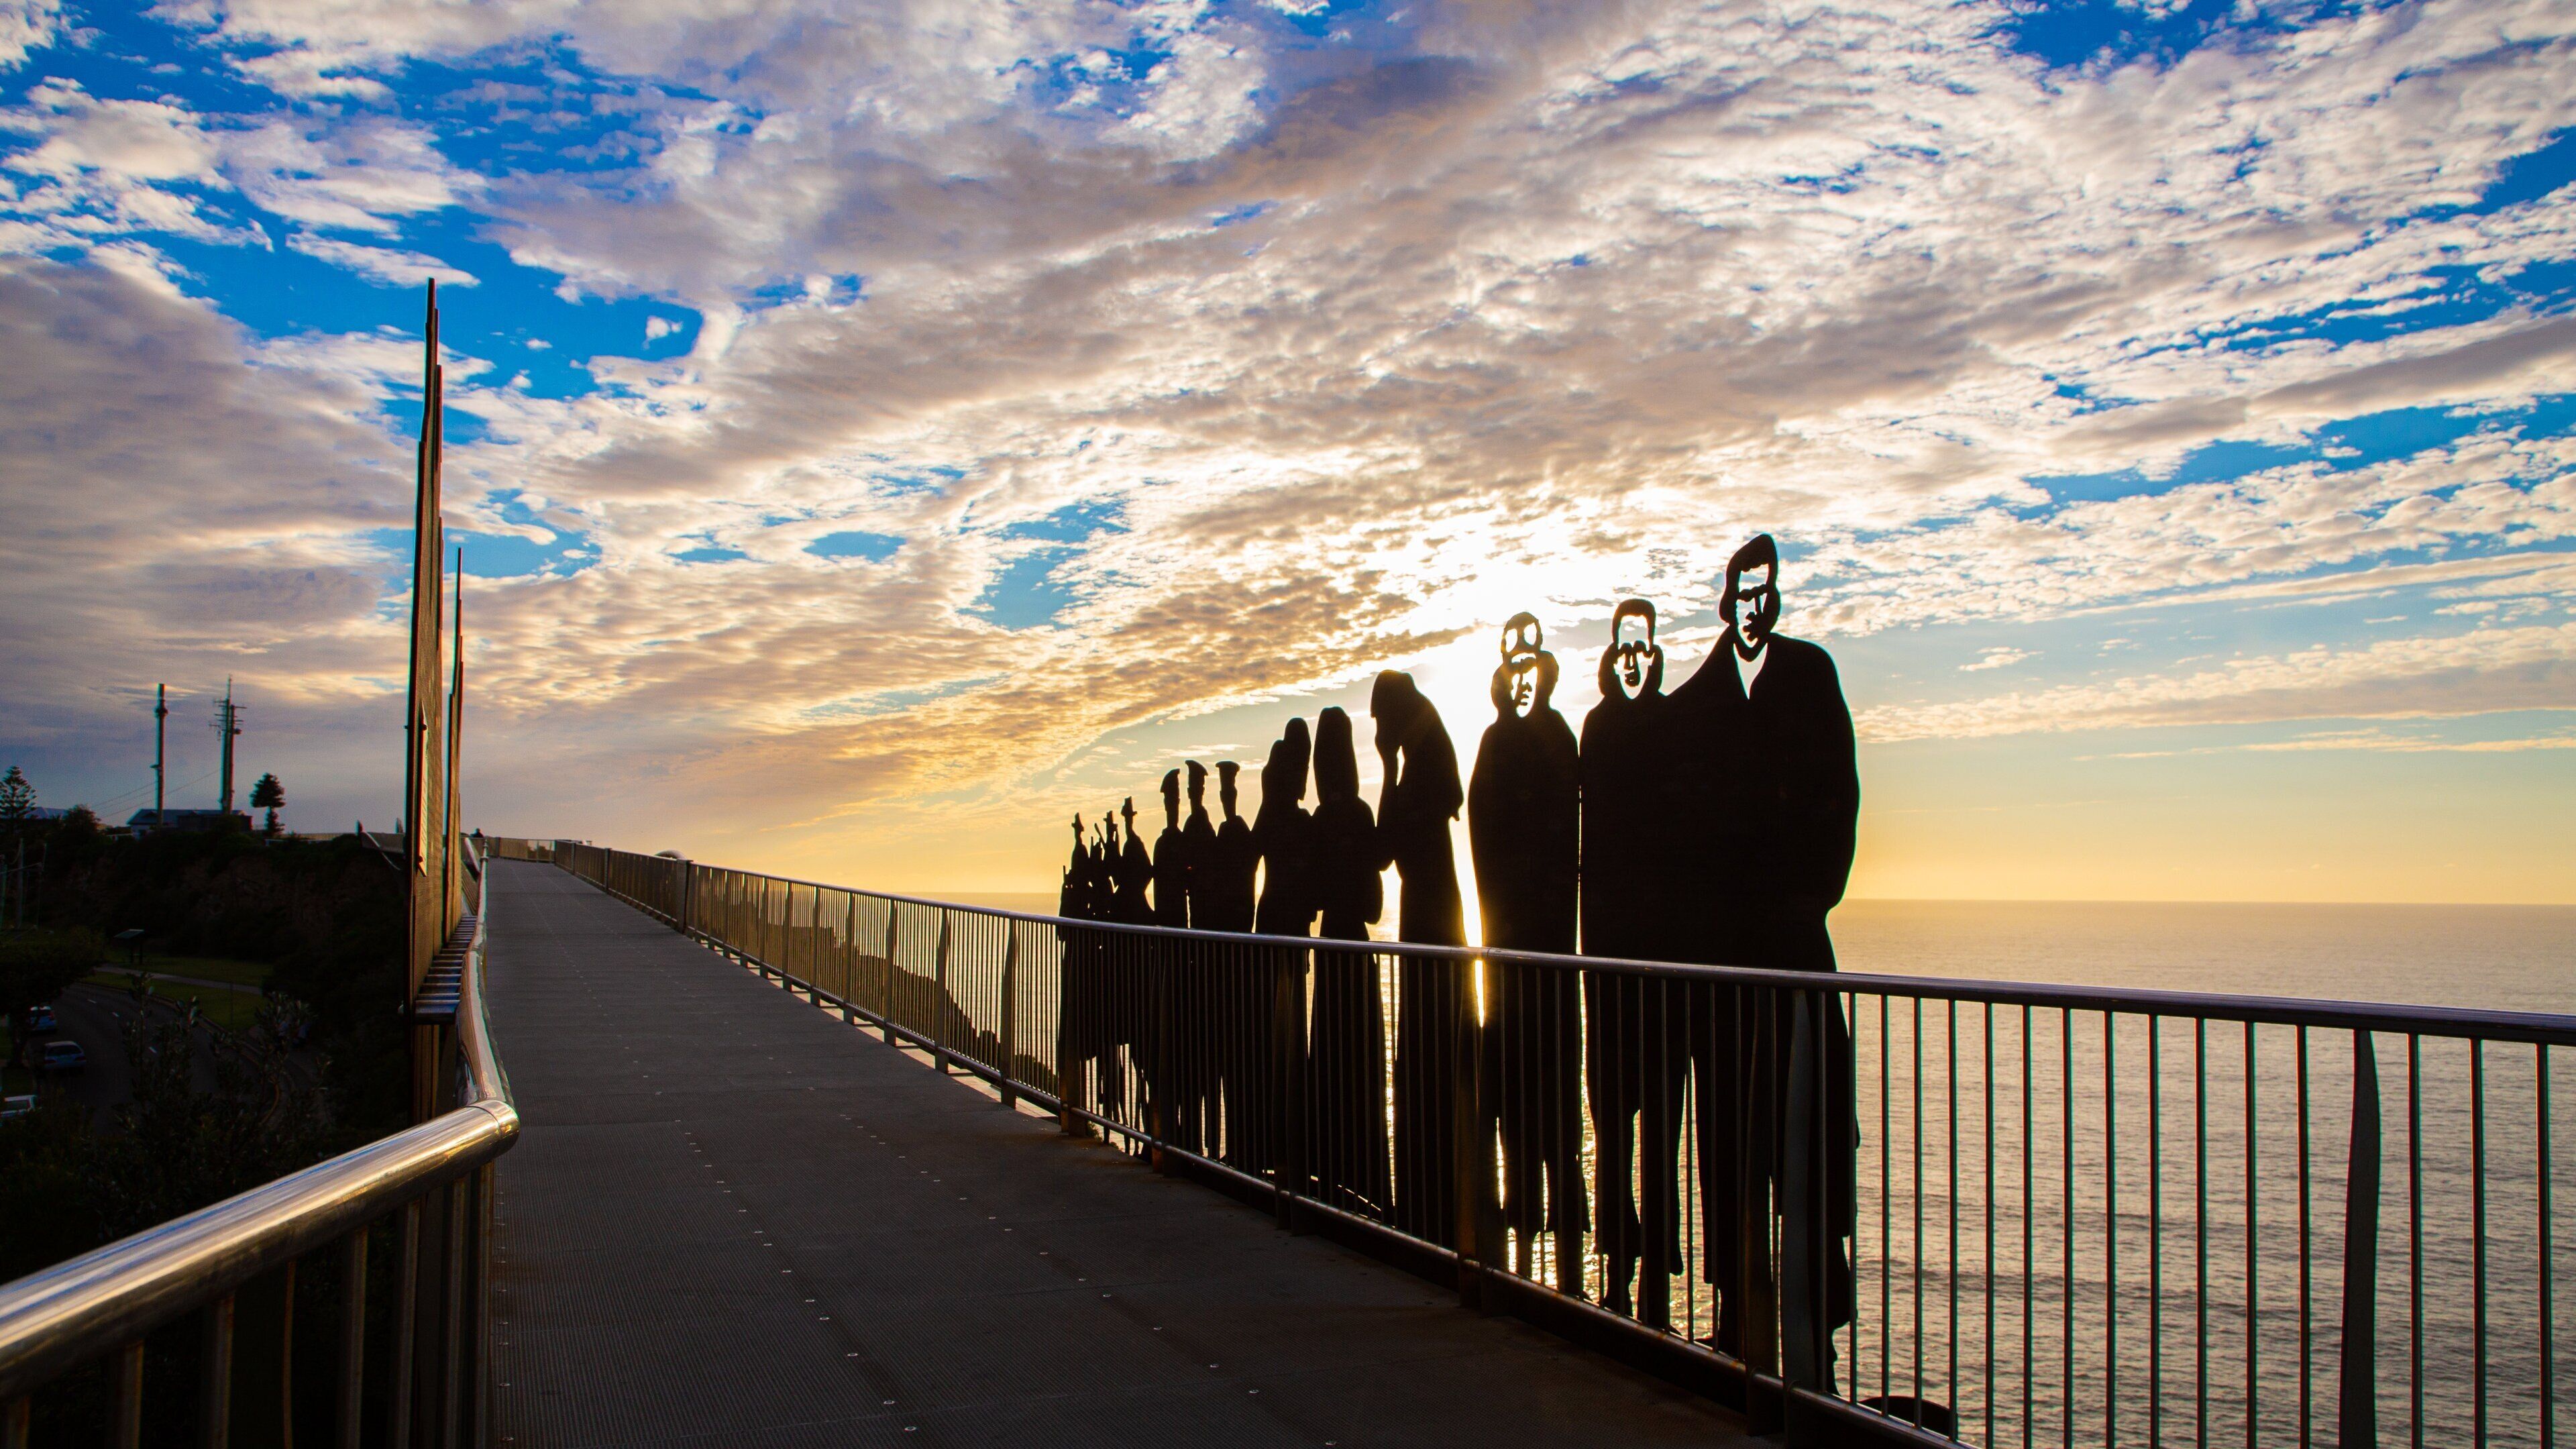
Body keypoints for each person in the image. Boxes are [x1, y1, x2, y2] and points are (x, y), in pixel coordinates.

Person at [1665, 533, 1861, 1360]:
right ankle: (1741, 1316)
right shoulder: (1694, 705)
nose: (1757, 605)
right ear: (1725, 601)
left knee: (1810, 1125)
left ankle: (1811, 1324)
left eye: (1767, 591)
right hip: (1721, 960)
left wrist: (1804, 897)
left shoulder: (1810, 676)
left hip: (1793, 945)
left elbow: (1839, 798)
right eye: (1744, 592)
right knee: (1730, 1142)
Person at [1579, 598, 1692, 1322]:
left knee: (1659, 1124)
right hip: (1610, 951)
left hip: (1660, 952)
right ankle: (1620, 1266)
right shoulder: (1596, 726)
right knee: (1614, 1114)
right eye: (1622, 644)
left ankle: (1652, 1275)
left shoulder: (1671, 726)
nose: (1631, 657)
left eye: (1641, 645)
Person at [1467, 614, 1585, 1286]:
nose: (1522, 683)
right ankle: (1520, 1224)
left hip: (1547, 945)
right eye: (1512, 672)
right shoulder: (1494, 742)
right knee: (1516, 1079)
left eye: (1530, 671)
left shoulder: (1559, 740)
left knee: (1551, 1078)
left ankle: (1563, 1236)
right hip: (1508, 944)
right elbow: (1485, 834)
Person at [1372, 669, 1466, 1246]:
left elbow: (1383, 850)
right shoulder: (1423, 767)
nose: (1380, 730)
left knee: (1430, 1044)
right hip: (1432, 914)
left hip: (1430, 914)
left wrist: (1383, 768)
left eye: (1383, 720)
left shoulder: (1420, 774)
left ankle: (1430, 1202)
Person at [1305, 706, 1391, 1216]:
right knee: (1361, 1065)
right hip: (1355, 947)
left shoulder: (1320, 821)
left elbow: (1315, 892)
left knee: (1331, 1060)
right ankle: (1368, 1181)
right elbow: (1377, 897)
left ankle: (1330, 1170)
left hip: (1331, 941)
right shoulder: (1358, 814)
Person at [1238, 719, 1316, 1182]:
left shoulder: (1273, 818)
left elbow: (1249, 861)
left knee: (1273, 1031)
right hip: (1283, 927)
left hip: (1274, 924)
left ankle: (1276, 1143)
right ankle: (1281, 1144)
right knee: (1280, 1033)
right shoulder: (1294, 821)